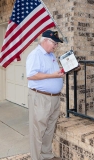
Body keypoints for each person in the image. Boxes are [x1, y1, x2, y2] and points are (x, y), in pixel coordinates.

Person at [26, 30, 67, 160]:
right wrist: (53, 75)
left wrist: (61, 72)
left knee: (49, 129)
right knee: (38, 131)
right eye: (54, 43)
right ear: (44, 41)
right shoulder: (35, 55)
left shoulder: (51, 55)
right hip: (41, 98)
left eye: (56, 44)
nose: (56, 46)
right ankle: (36, 158)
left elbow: (51, 73)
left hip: (54, 99)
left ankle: (47, 155)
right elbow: (31, 75)